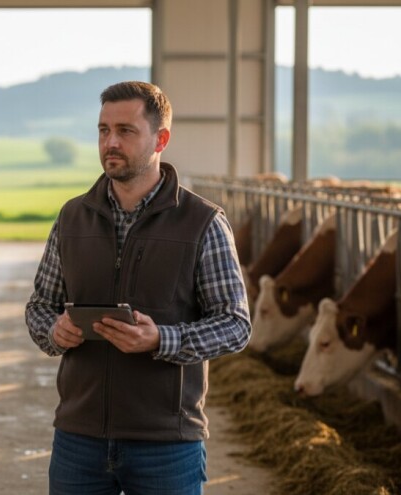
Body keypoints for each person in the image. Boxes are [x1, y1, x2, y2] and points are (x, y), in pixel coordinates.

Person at [25, 81, 251, 495]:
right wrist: (53, 332)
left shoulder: (202, 222)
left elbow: (236, 324)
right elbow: (40, 305)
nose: (110, 142)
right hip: (79, 437)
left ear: (160, 138)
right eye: (103, 130)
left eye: (126, 131)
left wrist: (160, 339)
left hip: (166, 443)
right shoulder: (73, 218)